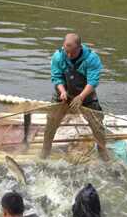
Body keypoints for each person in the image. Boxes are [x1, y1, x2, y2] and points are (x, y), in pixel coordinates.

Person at [42, 33, 109, 161]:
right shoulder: (58, 56)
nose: (68, 55)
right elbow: (56, 77)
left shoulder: (91, 58)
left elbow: (93, 81)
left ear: (79, 48)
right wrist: (62, 91)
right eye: (66, 52)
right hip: (64, 94)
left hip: (86, 95)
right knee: (51, 120)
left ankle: (102, 150)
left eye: (72, 53)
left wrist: (81, 97)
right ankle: (46, 149)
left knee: (97, 123)